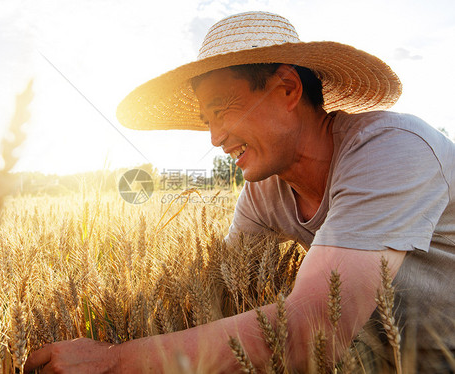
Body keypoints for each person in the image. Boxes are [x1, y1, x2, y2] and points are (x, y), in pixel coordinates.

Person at [25, 11, 455, 373]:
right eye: (205, 119)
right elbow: (217, 288)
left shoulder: (394, 150)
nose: (214, 138)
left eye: (220, 109)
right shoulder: (264, 190)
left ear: (287, 89)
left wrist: (113, 361)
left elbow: (313, 330)